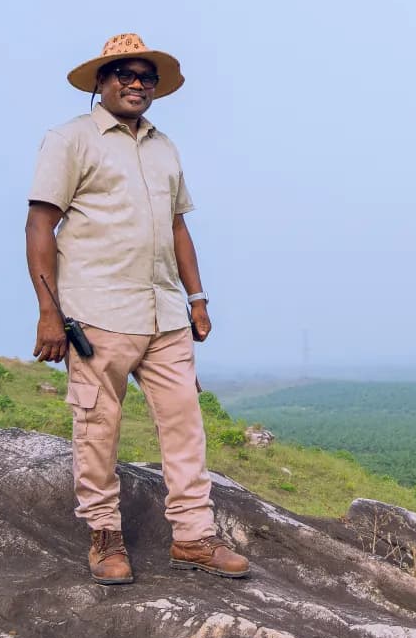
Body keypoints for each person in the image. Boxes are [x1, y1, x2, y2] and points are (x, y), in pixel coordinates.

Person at [25, 33, 249, 584]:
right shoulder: (70, 139)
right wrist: (49, 313)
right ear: (101, 82)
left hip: (165, 314)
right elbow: (40, 224)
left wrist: (197, 299)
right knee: (98, 427)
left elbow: (178, 227)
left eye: (146, 77)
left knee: (185, 424)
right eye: (124, 74)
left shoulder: (164, 147)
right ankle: (105, 538)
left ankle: (193, 538)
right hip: (97, 313)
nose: (137, 84)